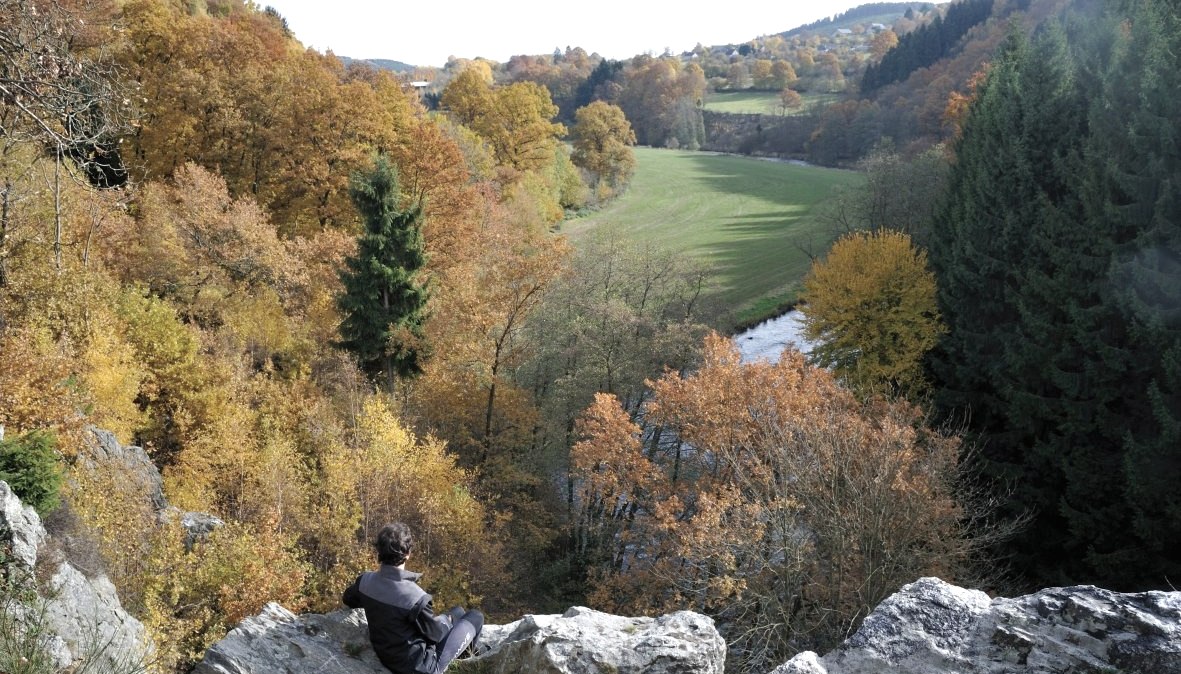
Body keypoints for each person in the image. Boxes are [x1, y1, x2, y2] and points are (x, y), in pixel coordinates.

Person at [343, 522, 484, 674]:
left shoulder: (365, 582)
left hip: (387, 655)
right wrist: (446, 623)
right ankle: (465, 665)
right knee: (475, 616)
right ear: (408, 553)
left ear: (379, 551)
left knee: (457, 612)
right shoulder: (416, 597)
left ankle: (460, 650)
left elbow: (348, 599)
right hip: (422, 667)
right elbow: (435, 636)